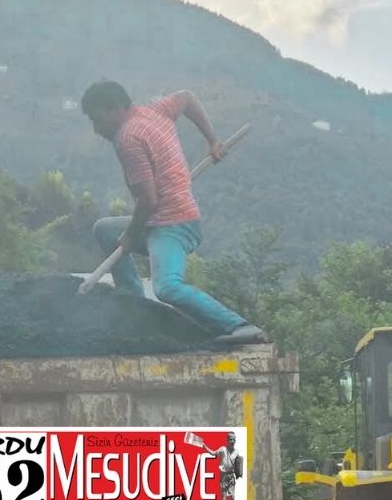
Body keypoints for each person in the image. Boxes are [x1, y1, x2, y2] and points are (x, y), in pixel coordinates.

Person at [79, 81, 268, 347]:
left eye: (97, 120)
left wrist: (131, 235)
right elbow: (187, 98)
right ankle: (134, 305)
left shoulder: (127, 139)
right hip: (164, 219)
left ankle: (239, 326)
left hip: (172, 224)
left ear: (115, 110)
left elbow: (148, 199)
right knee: (105, 229)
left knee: (167, 287)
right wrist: (212, 140)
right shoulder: (153, 110)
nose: (96, 130)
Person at [213, 431, 243, 500]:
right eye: (230, 439)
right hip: (223, 477)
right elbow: (213, 453)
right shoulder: (222, 449)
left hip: (231, 476)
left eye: (234, 439)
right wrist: (204, 447)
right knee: (224, 499)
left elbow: (238, 463)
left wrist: (239, 472)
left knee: (233, 497)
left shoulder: (236, 452)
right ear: (227, 440)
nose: (232, 441)